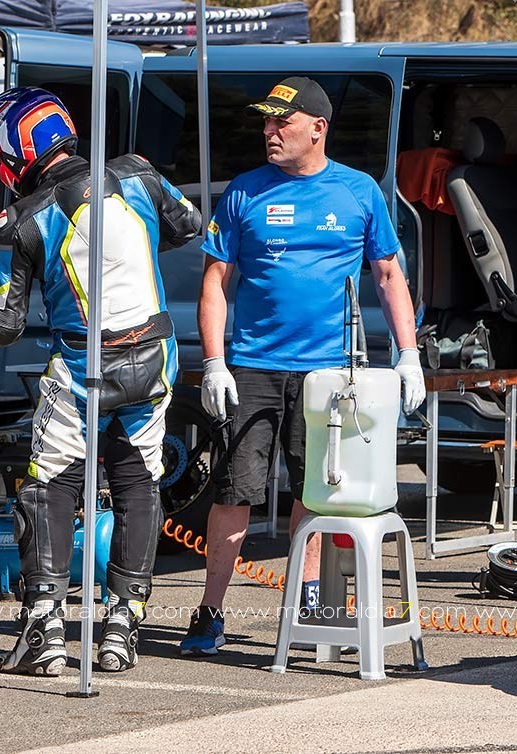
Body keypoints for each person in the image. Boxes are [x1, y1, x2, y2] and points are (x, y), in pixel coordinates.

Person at [179, 77, 426, 656]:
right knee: (235, 490)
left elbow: (390, 275)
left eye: (279, 123)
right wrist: (214, 363)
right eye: (265, 123)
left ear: (317, 128)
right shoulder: (244, 191)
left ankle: (307, 606)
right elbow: (216, 281)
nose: (269, 132)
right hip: (253, 365)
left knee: (315, 494)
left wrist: (409, 355)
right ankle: (210, 610)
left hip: (330, 374)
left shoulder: (359, 191)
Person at [0, 87, 203, 674]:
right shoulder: (140, 175)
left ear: (14, 151)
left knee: (46, 487)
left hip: (80, 367)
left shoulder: (18, 221)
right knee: (138, 481)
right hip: (156, 355)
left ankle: (45, 629)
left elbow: (2, 325)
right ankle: (124, 625)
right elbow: (190, 224)